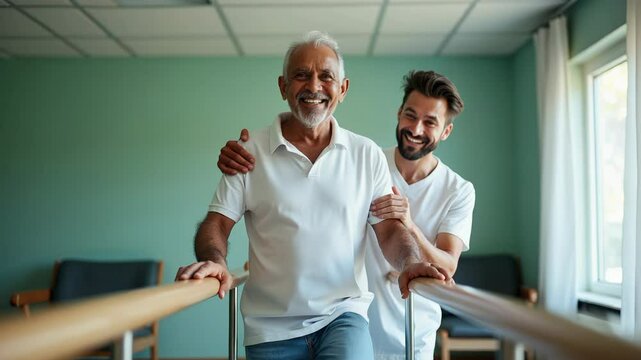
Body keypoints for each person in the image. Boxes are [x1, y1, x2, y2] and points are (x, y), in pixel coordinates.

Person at [175, 31, 444, 360]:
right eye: (301, 75)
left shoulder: (366, 154)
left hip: (344, 316)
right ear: (283, 86)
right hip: (270, 326)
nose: (314, 86)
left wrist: (412, 262)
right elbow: (217, 223)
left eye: (326, 76)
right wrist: (216, 262)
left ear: (342, 90)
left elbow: (389, 231)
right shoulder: (249, 151)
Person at [217, 70, 475, 359]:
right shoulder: (366, 159)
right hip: (352, 322)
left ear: (445, 131)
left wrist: (410, 224)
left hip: (412, 326)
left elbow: (447, 266)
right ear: (399, 112)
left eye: (430, 122)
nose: (415, 129)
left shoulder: (458, 190)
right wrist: (249, 151)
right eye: (410, 115)